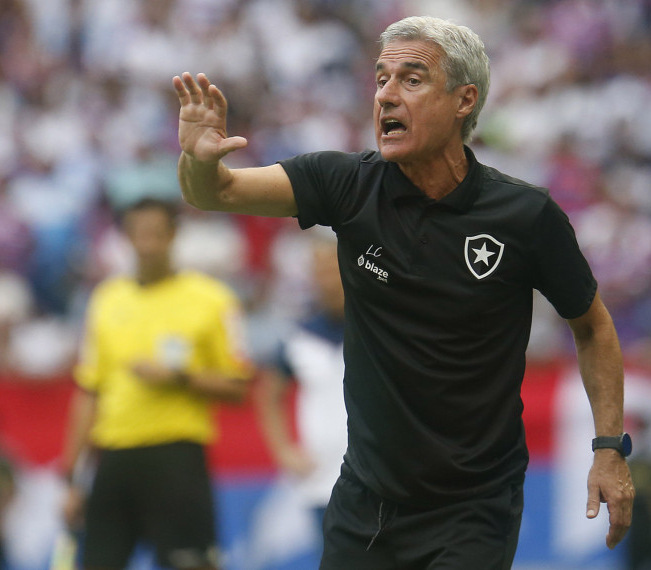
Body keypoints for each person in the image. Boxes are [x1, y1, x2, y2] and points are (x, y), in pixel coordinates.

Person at [172, 14, 635, 569]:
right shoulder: (344, 185)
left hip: (473, 509)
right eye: (380, 79)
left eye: (411, 80)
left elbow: (592, 326)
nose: (387, 96)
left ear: (464, 100)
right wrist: (197, 160)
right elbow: (216, 192)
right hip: (364, 505)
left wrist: (609, 449)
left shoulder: (525, 216)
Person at [60, 198, 253, 570]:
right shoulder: (105, 300)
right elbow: (89, 391)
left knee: (192, 563)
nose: (147, 244)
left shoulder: (212, 299)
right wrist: (71, 476)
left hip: (177, 456)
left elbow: (238, 387)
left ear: (174, 235)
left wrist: (179, 378)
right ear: (126, 238)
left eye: (156, 234)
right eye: (139, 234)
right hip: (114, 457)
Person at [255, 229, 347, 560]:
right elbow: (268, 396)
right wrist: (283, 451)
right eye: (318, 270)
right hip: (320, 480)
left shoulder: (379, 328)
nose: (326, 278)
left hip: (379, 477)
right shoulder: (300, 336)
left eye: (332, 268)